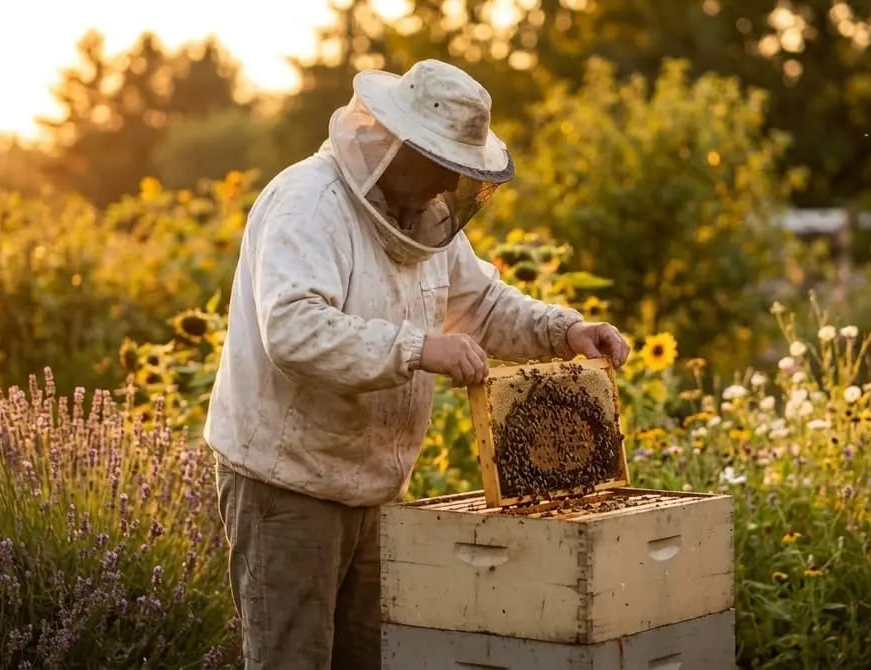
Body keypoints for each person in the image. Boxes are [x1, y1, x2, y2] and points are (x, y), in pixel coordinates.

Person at [203, 58, 630, 670]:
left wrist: (566, 330)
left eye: (458, 172)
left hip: (373, 486)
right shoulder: (309, 202)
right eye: (439, 167)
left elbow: (480, 303)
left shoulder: (426, 223)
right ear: (396, 146)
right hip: (287, 483)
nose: (444, 186)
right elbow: (293, 330)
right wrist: (417, 348)